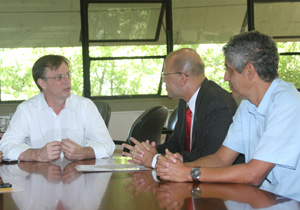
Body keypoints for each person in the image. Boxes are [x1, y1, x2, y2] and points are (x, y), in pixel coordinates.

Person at [156, 31, 300, 200]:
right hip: (262, 199)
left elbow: (253, 174)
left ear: (249, 71)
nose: (225, 77)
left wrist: (189, 173)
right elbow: (221, 159)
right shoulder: (247, 104)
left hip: (288, 202)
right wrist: (175, 168)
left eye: (229, 70)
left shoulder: (289, 103)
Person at [123, 48, 242, 168]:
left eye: (165, 75)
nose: (163, 80)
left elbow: (210, 156)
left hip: (219, 181)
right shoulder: (184, 101)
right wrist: (151, 152)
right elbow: (176, 144)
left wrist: (156, 159)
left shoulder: (217, 103)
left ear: (182, 78)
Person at [0, 55, 115, 162]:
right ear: (42, 83)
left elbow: (107, 145)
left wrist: (84, 152)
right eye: (59, 77)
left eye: (68, 75)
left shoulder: (85, 106)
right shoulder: (26, 110)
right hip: (39, 178)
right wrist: (37, 154)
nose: (67, 81)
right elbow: (5, 147)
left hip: (77, 177)